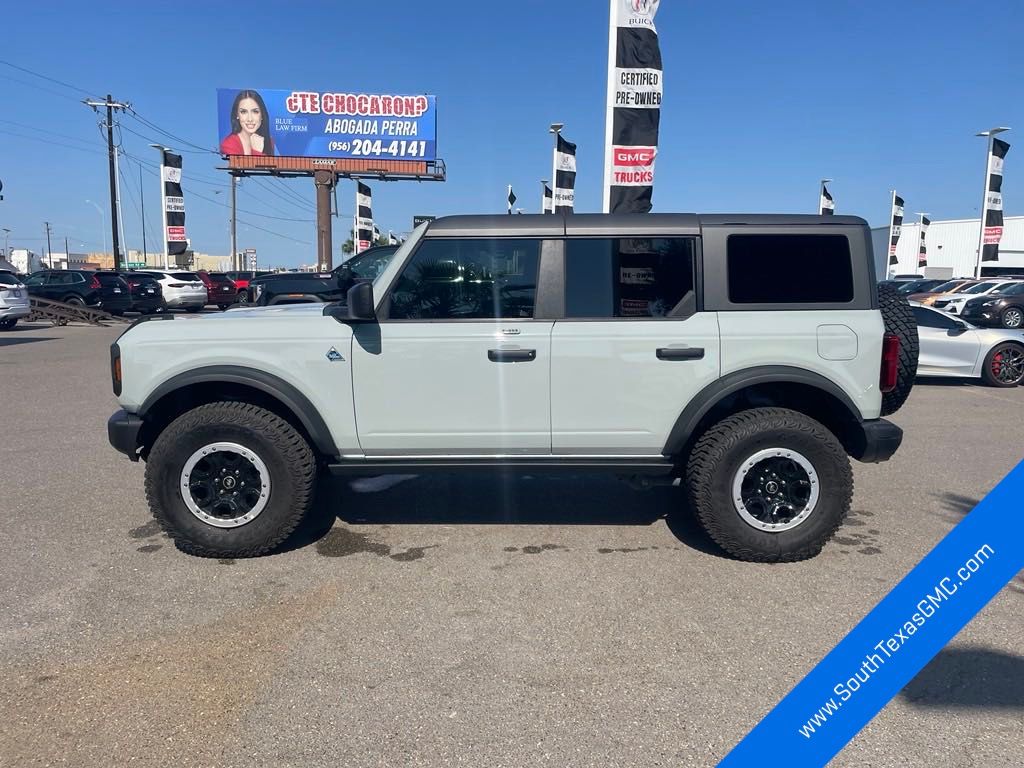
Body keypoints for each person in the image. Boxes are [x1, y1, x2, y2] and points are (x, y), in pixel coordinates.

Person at [220, 90, 275, 156]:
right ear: (237, 115)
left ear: (262, 115)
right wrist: (256, 151)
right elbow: (239, 166)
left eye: (255, 111)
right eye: (243, 112)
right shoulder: (229, 144)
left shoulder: (268, 141)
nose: (250, 119)